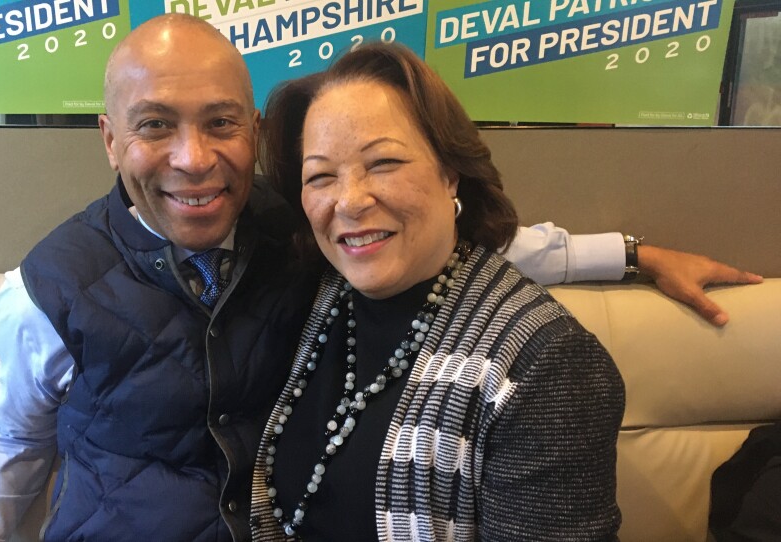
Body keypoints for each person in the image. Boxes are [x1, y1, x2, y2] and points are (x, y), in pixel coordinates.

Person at [0, 14, 760, 542]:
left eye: (221, 123)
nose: (193, 158)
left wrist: (628, 251)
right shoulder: (49, 285)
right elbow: (9, 445)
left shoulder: (303, 233)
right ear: (111, 140)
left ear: (253, 127)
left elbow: (470, 246)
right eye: (155, 126)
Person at [248, 43, 624, 540]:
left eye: (382, 162)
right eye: (320, 176)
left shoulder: (548, 365)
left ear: (450, 172)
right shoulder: (319, 295)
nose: (350, 201)